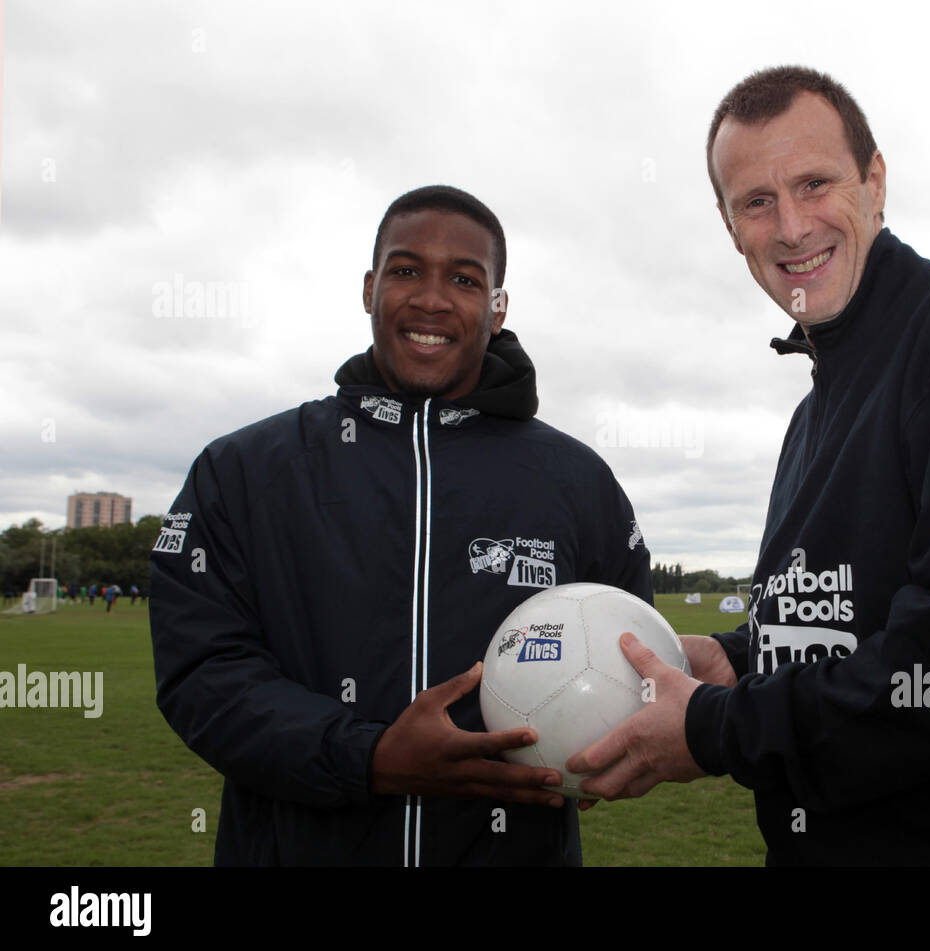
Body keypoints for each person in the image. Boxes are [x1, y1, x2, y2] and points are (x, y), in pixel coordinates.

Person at [568, 66, 930, 865]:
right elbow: (848, 621)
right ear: (728, 224)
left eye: (815, 184)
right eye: (756, 202)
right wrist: (735, 659)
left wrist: (717, 727)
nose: (790, 227)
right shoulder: (811, 418)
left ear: (874, 183)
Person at [150, 185, 651, 866]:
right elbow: (203, 673)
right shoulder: (243, 471)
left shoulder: (577, 481)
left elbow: (631, 657)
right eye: (407, 270)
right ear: (369, 288)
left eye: (465, 279)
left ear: (498, 308)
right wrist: (369, 757)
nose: (432, 299)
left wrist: (605, 740)